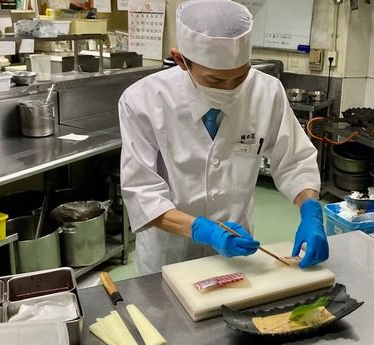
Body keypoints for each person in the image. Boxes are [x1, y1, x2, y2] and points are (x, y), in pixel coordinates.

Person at [119, 0, 328, 276]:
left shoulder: (266, 91)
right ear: (181, 60)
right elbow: (141, 191)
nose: (229, 89)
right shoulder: (142, 100)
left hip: (238, 251)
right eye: (216, 80)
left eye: (239, 77)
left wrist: (311, 210)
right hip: (169, 255)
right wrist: (201, 230)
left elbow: (295, 159)